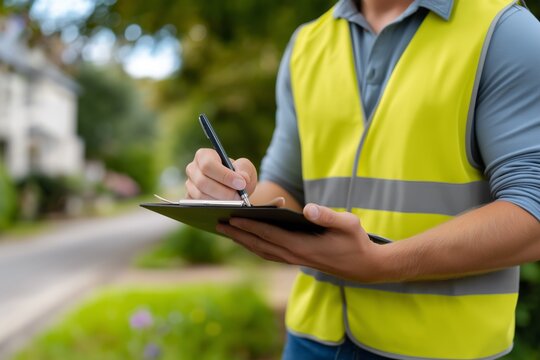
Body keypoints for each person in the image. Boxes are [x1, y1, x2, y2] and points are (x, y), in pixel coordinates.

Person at [184, 0, 540, 358]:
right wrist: (232, 191)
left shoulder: (505, 31)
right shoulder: (307, 44)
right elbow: (284, 189)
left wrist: (383, 264)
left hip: (442, 350)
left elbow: (533, 211)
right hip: (311, 340)